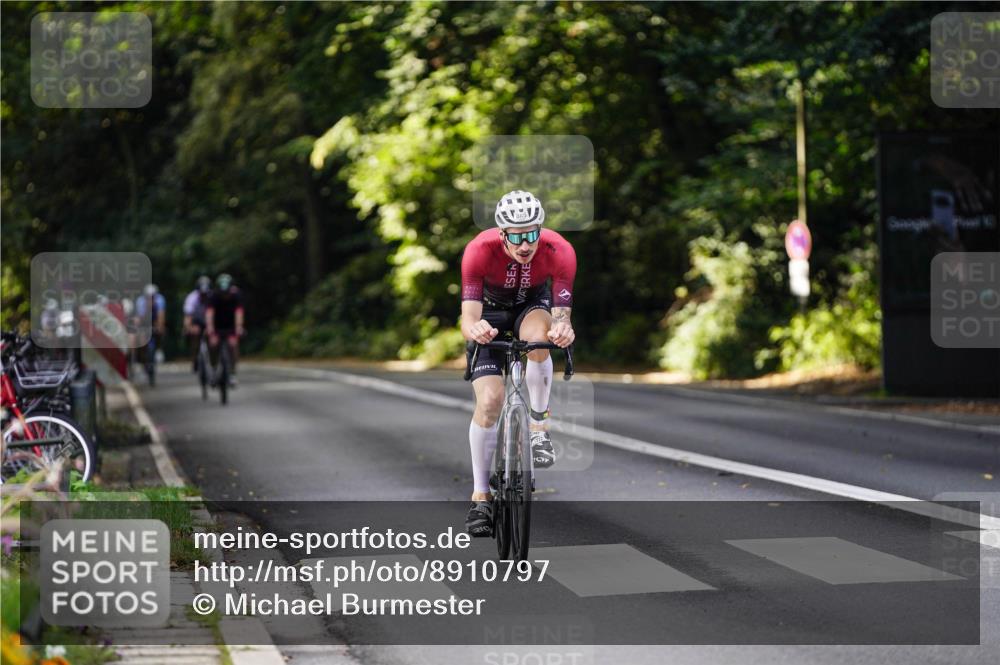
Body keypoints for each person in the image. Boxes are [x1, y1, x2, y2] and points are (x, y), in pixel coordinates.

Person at [459, 190, 576, 536]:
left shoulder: (560, 250)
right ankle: (481, 496)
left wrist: (563, 329)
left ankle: (539, 428)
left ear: (540, 229)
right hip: (490, 314)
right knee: (490, 401)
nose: (525, 245)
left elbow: (561, 315)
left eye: (531, 234)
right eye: (516, 236)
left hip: (531, 307)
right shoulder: (479, 251)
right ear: (502, 233)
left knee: (541, 339)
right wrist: (476, 328)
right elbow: (468, 317)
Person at [205, 273, 244, 387]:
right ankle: (213, 368)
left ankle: (232, 373)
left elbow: (239, 313)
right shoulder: (213, 296)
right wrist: (210, 329)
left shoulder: (236, 295)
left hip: (231, 325)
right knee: (213, 344)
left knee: (233, 345)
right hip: (217, 325)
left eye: (226, 293)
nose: (225, 296)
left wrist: (239, 327)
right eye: (223, 293)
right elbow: (209, 314)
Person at [183, 276, 212, 372]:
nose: (204, 296)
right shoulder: (192, 298)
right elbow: (188, 316)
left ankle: (213, 358)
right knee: (194, 335)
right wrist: (189, 327)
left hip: (210, 321)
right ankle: (195, 358)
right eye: (202, 294)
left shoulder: (212, 297)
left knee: (213, 337)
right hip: (196, 321)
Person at [133, 283, 166, 368]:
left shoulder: (160, 300)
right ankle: (140, 355)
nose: (151, 299)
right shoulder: (140, 302)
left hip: (155, 322)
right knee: (140, 337)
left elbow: (161, 316)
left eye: (153, 297)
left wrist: (159, 327)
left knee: (162, 330)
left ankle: (159, 349)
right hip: (144, 323)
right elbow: (139, 319)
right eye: (149, 297)